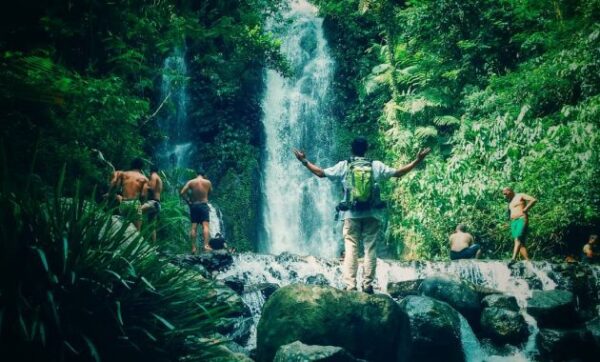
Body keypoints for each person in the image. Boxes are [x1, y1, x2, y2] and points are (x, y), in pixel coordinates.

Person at [294, 137, 430, 294]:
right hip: (371, 214)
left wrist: (304, 161)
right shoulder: (375, 165)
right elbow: (398, 173)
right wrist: (417, 160)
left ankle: (350, 285)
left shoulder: (345, 165)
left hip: (350, 214)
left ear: (351, 149)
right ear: (366, 149)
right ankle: (367, 284)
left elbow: (320, 173)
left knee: (351, 248)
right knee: (370, 248)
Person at [110, 158, 148, 230]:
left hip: (123, 202)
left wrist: (117, 196)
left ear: (132, 165)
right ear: (141, 167)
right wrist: (142, 205)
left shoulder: (124, 174)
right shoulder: (144, 178)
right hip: (135, 203)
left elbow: (117, 188)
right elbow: (143, 195)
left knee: (121, 226)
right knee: (137, 230)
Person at [180, 169, 213, 254]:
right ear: (204, 175)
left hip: (194, 206)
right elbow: (210, 192)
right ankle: (206, 246)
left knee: (193, 227)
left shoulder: (191, 182)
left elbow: (182, 192)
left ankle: (193, 248)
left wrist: (188, 202)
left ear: (196, 174)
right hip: (203, 205)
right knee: (205, 226)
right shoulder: (207, 182)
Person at [502, 187, 537, 261]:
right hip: (513, 222)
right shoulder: (510, 202)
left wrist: (525, 209)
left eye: (505, 194)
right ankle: (528, 261)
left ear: (510, 191)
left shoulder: (520, 195)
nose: (505, 196)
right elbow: (509, 213)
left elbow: (533, 200)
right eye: (504, 194)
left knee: (517, 239)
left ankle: (513, 259)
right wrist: (508, 222)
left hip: (521, 219)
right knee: (521, 243)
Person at [141, 165, 163, 242]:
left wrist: (144, 184)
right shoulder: (159, 178)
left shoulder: (153, 176)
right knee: (152, 226)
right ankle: (153, 246)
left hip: (152, 203)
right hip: (157, 203)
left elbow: (151, 188)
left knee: (136, 211)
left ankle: (135, 236)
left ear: (151, 170)